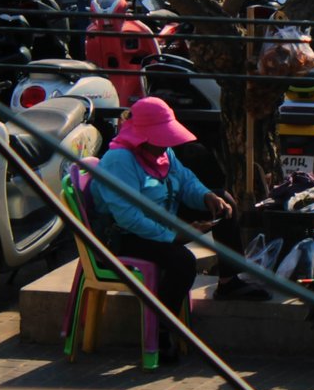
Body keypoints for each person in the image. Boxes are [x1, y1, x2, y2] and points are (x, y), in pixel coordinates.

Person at [85, 98, 231, 361]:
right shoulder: (120, 160)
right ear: (142, 135)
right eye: (160, 136)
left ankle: (231, 280)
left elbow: (185, 180)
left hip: (161, 223)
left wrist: (206, 196)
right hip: (124, 236)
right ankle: (160, 331)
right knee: (182, 261)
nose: (166, 143)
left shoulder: (164, 153)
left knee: (225, 201)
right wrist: (175, 235)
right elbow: (129, 217)